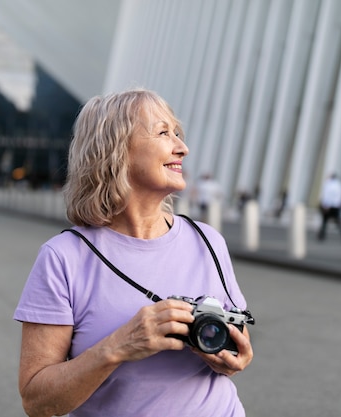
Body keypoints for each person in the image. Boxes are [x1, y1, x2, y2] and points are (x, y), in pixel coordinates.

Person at [13, 88, 254, 417]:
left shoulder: (208, 241)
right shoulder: (63, 258)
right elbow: (37, 401)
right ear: (116, 150)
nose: (182, 147)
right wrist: (118, 347)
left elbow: (236, 347)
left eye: (178, 133)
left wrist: (230, 357)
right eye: (163, 133)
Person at [317, 172, 341, 241]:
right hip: (336, 206)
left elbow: (326, 195)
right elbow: (340, 196)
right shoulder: (339, 185)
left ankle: (321, 236)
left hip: (329, 206)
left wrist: (325, 205)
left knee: (324, 221)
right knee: (338, 221)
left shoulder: (328, 184)